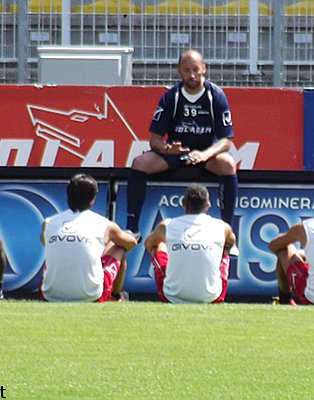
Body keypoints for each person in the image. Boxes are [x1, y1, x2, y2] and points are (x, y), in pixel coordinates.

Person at [126, 49, 238, 241]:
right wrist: (167, 149)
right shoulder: (172, 96)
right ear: (179, 71)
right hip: (176, 155)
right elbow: (154, 140)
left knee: (227, 164)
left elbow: (226, 140)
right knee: (139, 163)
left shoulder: (215, 96)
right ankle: (132, 228)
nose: (192, 75)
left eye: (196, 69)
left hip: (205, 156)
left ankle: (228, 231)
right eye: (187, 70)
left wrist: (205, 154)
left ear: (204, 69)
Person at [39, 174, 137, 302]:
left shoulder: (48, 222)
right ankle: (115, 296)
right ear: (93, 199)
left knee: (58, 252)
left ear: (68, 196)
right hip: (91, 296)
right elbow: (131, 243)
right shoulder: (104, 224)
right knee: (118, 246)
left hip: (49, 295)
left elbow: (45, 243)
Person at [144, 183, 237, 303]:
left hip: (171, 297)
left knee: (158, 245)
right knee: (225, 251)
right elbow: (232, 242)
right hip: (213, 298)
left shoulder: (167, 225)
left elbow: (148, 243)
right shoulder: (222, 227)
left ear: (183, 203)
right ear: (207, 205)